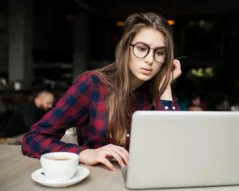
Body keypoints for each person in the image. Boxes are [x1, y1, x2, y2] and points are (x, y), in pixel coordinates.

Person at [22, 12, 182, 171]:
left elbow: (174, 151)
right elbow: (33, 139)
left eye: (159, 52)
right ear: (126, 48)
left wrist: (166, 88)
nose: (150, 59)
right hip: (97, 182)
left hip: (144, 182)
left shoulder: (159, 95)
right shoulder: (92, 84)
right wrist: (84, 153)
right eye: (141, 49)